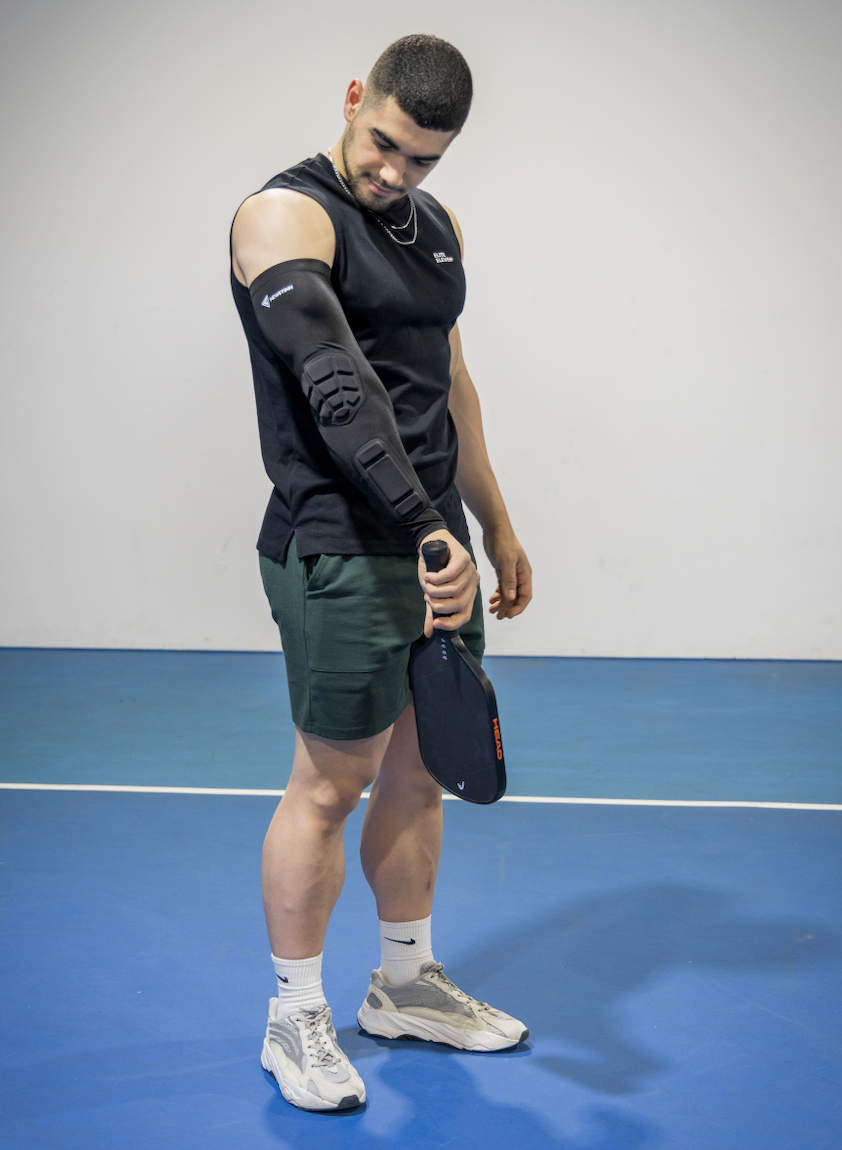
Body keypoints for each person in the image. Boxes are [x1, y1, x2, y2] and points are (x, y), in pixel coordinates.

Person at [230, 33, 533, 1112]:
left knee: (419, 771)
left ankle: (403, 983)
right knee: (330, 785)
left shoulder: (436, 228)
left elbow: (450, 382)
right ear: (356, 97)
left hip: (435, 544)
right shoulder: (284, 215)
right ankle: (294, 1016)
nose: (397, 173)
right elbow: (336, 385)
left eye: (423, 160)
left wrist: (492, 523)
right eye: (386, 145)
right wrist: (425, 532)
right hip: (341, 542)